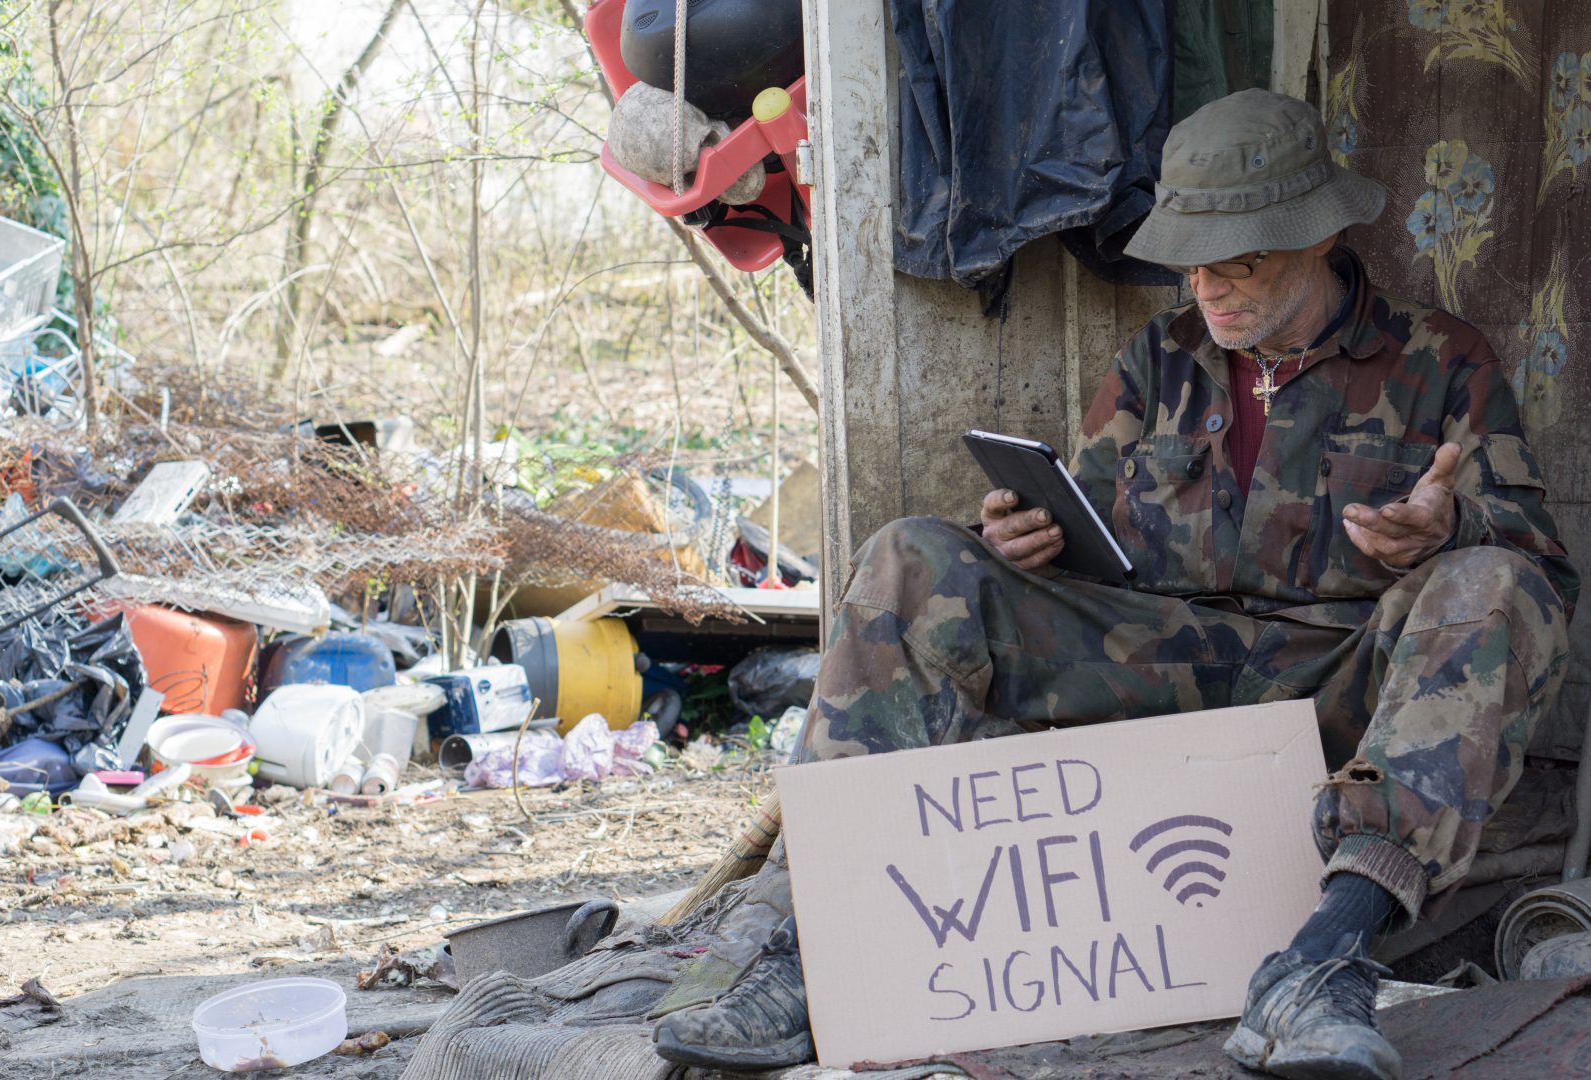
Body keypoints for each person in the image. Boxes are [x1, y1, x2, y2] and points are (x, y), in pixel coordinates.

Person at [653, 88, 1576, 1080]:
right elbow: (1092, 528)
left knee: (1496, 586)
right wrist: (1023, 540)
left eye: (1243, 261)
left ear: (1322, 236)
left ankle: (1322, 964)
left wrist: (1450, 526)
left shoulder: (1439, 361)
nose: (1209, 287)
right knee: (913, 555)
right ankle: (809, 957)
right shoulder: (1161, 357)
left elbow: (1536, 566)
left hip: (1338, 683)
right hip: (1153, 665)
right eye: (1193, 260)